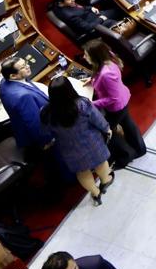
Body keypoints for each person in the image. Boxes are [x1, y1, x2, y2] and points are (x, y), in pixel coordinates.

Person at [42, 75, 113, 205]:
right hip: (92, 142)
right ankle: (105, 180)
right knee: (100, 163)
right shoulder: (82, 104)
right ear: (69, 89)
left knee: (82, 172)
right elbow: (97, 119)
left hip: (68, 148)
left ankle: (95, 193)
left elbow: (47, 132)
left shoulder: (46, 112)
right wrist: (107, 129)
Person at [84, 39, 146, 161]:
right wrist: (92, 81)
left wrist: (92, 103)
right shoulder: (108, 61)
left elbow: (113, 98)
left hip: (117, 106)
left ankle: (128, 154)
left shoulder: (106, 74)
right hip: (123, 99)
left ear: (95, 56)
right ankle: (140, 149)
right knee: (128, 124)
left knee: (107, 131)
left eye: (86, 55)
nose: (84, 57)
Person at [0, 56, 55, 155]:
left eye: (26, 63)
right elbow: (34, 123)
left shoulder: (4, 82)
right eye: (23, 67)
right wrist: (47, 141)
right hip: (40, 136)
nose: (28, 66)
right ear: (13, 76)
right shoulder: (23, 97)